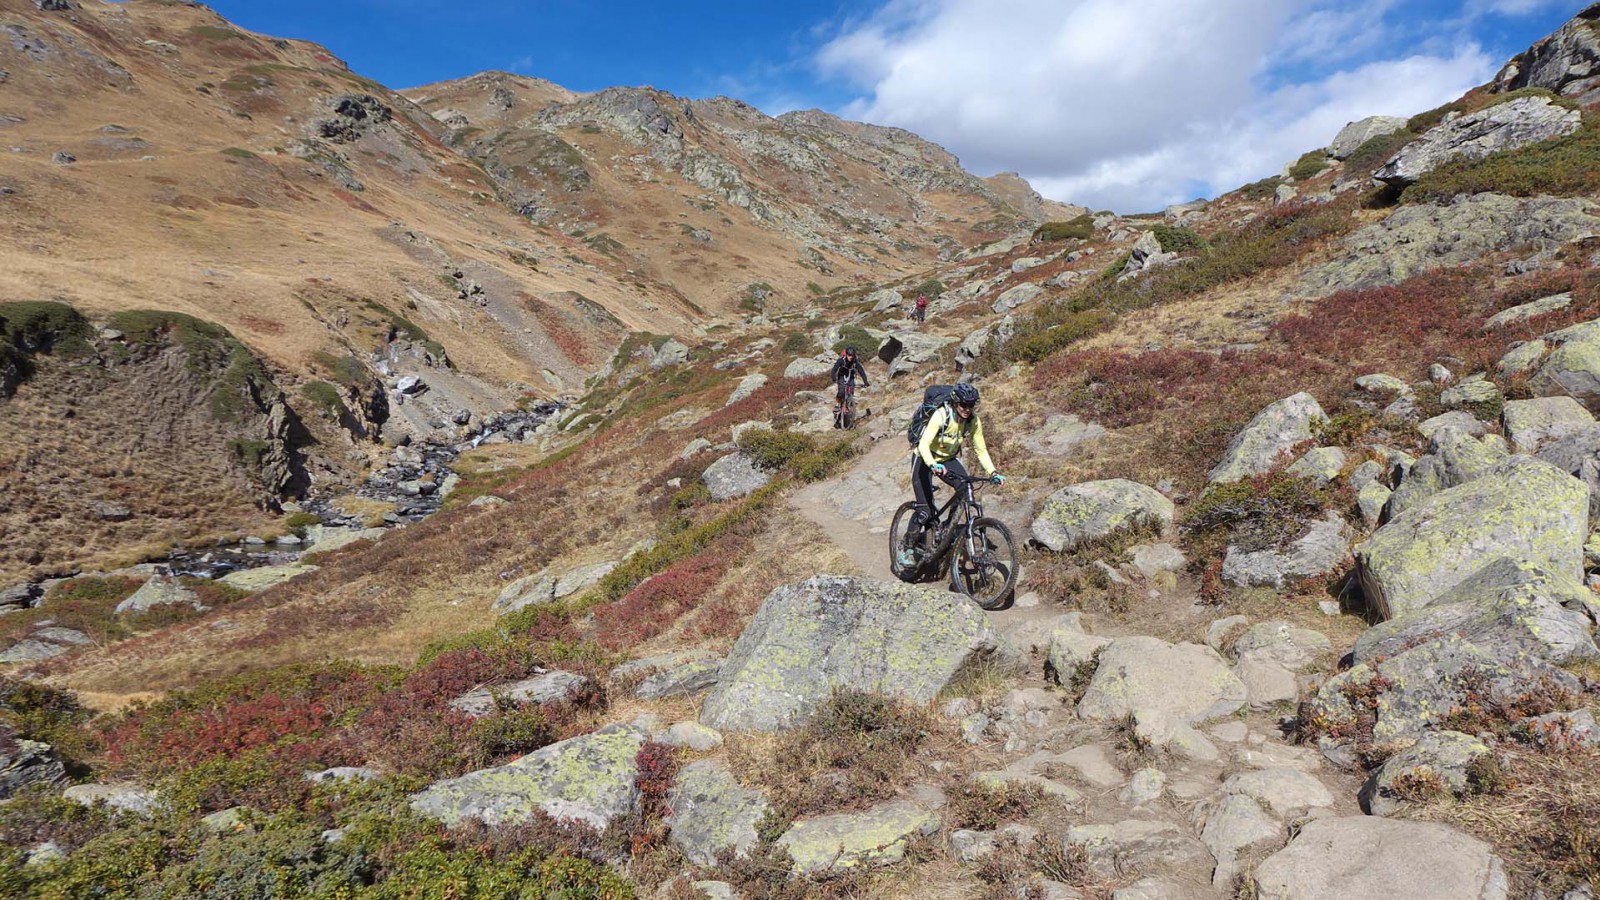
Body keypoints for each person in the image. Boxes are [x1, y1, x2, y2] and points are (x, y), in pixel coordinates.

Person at [900, 382, 1004, 566]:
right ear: (955, 402)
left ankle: (946, 529)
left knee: (966, 488)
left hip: (947, 459)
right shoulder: (941, 415)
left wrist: (993, 472)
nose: (967, 409)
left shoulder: (973, 421)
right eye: (963, 405)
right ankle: (907, 547)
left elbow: (981, 450)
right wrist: (932, 464)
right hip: (925, 458)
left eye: (971, 406)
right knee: (924, 511)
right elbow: (923, 444)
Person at [830, 346, 869, 427]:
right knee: (841, 391)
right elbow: (834, 369)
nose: (850, 357)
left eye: (852, 355)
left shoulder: (855, 362)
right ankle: (838, 405)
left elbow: (861, 371)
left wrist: (865, 382)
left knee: (850, 393)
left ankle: (848, 408)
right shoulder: (841, 360)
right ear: (846, 354)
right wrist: (833, 377)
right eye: (849, 355)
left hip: (850, 377)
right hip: (841, 376)